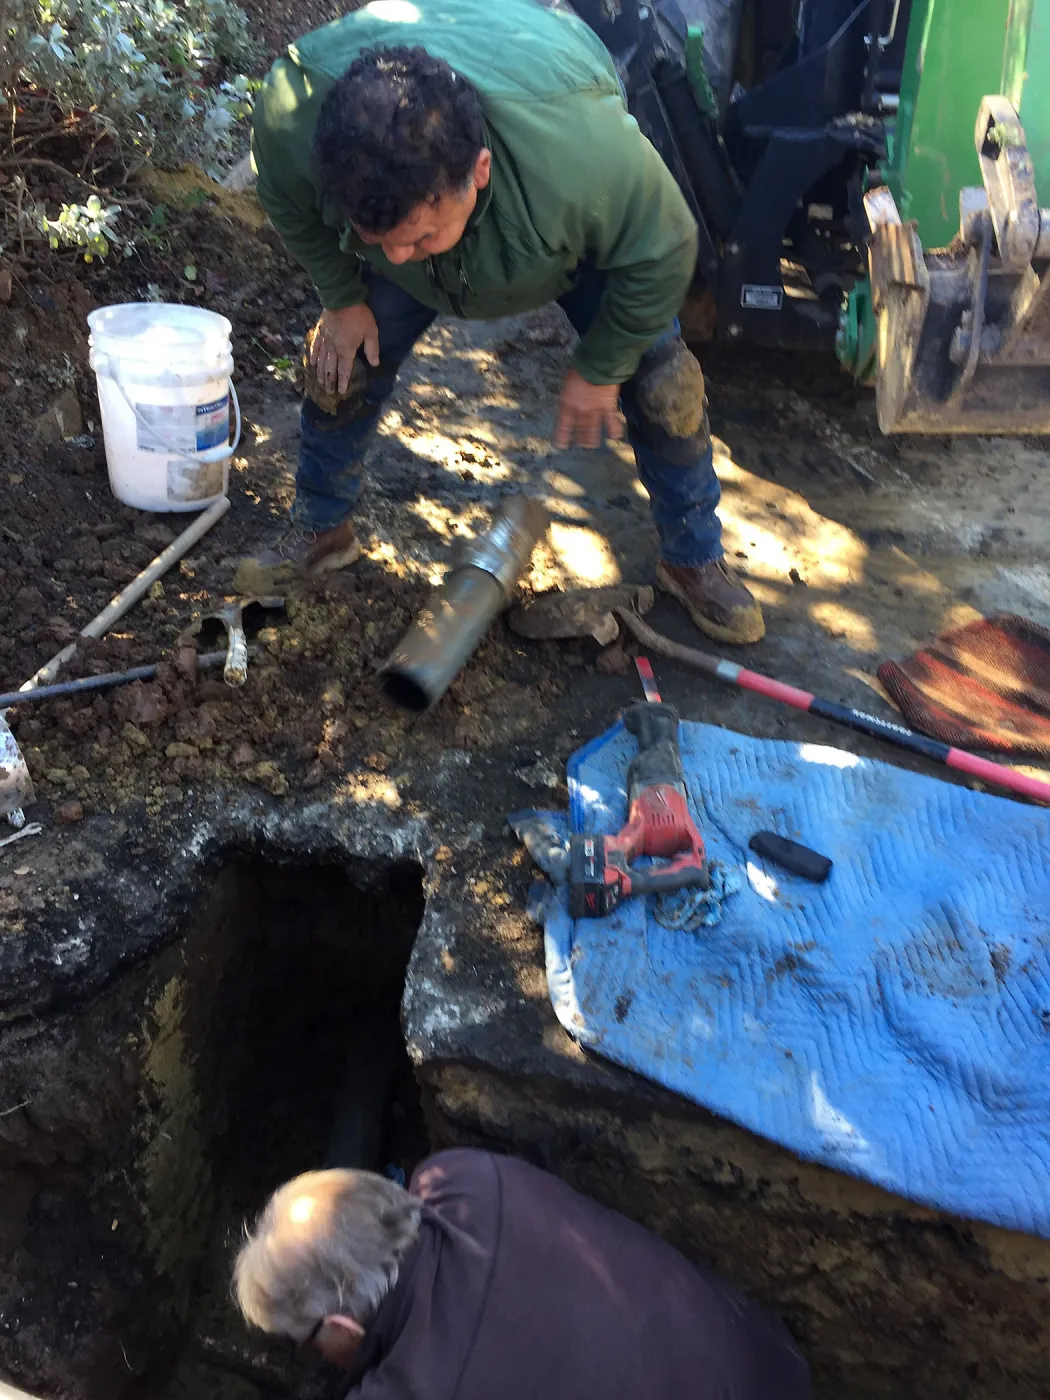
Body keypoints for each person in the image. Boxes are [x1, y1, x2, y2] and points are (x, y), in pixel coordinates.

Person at [241, 0, 765, 645]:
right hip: (432, 141)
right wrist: (344, 297)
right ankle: (322, 528)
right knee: (336, 365)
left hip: (557, 184)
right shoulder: (295, 112)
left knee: (665, 384)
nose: (396, 257)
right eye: (376, 238)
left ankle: (692, 558)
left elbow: (665, 251)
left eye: (419, 235)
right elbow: (287, 201)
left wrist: (603, 367)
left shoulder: (584, 159)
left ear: (477, 175)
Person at [234, 1147, 810, 1398]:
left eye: (307, 1343)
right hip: (769, 1368)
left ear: (342, 1327)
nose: (310, 1355)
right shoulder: (464, 1178)